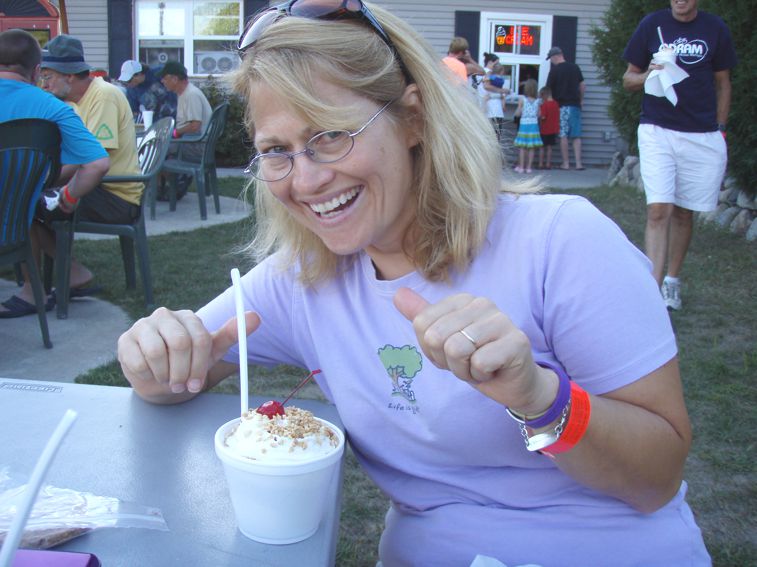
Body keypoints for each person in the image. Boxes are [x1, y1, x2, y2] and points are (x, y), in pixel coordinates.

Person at [117, 3, 710, 565]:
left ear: (413, 118)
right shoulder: (299, 283)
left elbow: (656, 478)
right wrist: (153, 357)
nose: (307, 178)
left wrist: (540, 399)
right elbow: (184, 369)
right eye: (277, 150)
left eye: (331, 134)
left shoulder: (561, 241)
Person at [622, 0, 736, 311]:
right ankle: (651, 291)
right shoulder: (651, 25)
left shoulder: (715, 29)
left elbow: (723, 83)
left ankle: (672, 281)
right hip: (657, 129)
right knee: (659, 210)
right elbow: (628, 79)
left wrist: (721, 127)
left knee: (685, 212)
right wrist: (649, 73)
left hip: (701, 132)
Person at [0, 29, 110, 318]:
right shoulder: (53, 108)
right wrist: (68, 197)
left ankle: (47, 284)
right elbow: (97, 163)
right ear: (36, 71)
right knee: (24, 200)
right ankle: (48, 283)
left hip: (20, 213)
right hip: (11, 225)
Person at [37, 34, 143, 297]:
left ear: (68, 76)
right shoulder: (78, 101)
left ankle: (69, 273)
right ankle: (57, 274)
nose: (45, 84)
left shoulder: (103, 95)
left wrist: (42, 180)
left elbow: (92, 160)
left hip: (116, 197)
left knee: (27, 205)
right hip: (101, 189)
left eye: (48, 76)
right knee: (30, 201)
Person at [157, 61, 213, 199]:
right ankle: (170, 187)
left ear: (175, 79)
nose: (162, 81)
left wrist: (175, 133)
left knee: (157, 151)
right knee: (159, 149)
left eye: (165, 78)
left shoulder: (191, 95)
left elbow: (195, 126)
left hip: (197, 146)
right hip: (193, 143)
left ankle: (175, 187)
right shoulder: (183, 93)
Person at [546, 46, 585, 170]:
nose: (551, 61)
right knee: (576, 135)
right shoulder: (575, 68)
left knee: (563, 135)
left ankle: (566, 163)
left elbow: (548, 91)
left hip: (561, 107)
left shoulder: (554, 71)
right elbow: (582, 85)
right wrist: (581, 100)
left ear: (555, 56)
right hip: (574, 105)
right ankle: (578, 164)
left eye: (551, 58)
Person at [513, 78, 542, 174]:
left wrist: (518, 111)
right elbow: (539, 114)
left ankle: (521, 167)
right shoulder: (538, 101)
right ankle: (529, 167)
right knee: (531, 147)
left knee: (522, 147)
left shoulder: (523, 100)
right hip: (533, 125)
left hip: (524, 125)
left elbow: (518, 113)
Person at [537, 85, 559, 169]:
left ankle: (540, 164)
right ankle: (548, 164)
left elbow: (543, 117)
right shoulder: (556, 104)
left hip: (544, 129)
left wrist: (540, 109)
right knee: (549, 147)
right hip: (553, 129)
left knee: (542, 148)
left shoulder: (545, 105)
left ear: (544, 95)